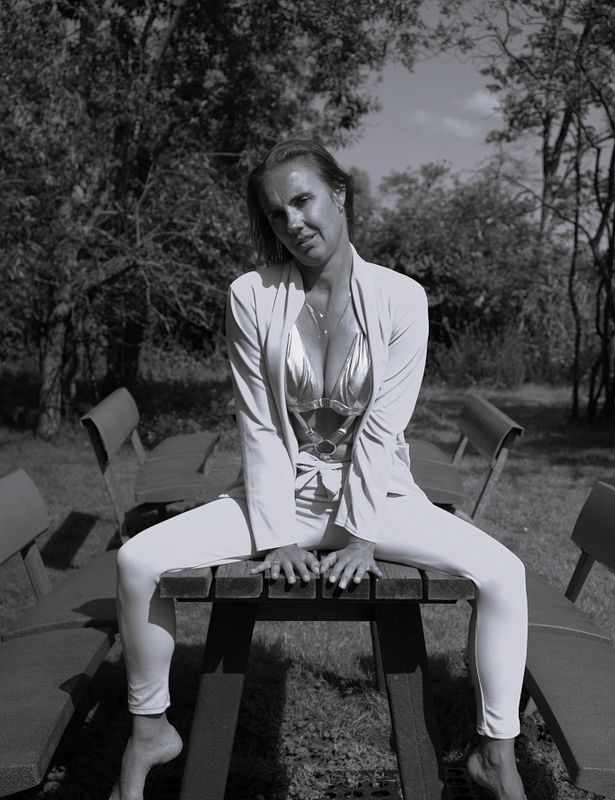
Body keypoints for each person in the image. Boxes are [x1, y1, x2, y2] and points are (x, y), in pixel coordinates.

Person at [110, 139, 528, 800]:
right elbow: (258, 422)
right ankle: (151, 731)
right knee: (137, 562)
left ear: (339, 193)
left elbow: (384, 425)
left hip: (379, 500)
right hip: (283, 500)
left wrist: (362, 535)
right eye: (277, 214)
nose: (293, 222)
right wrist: (277, 535)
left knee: (505, 573)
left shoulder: (401, 298)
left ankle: (494, 755)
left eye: (303, 201)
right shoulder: (251, 295)